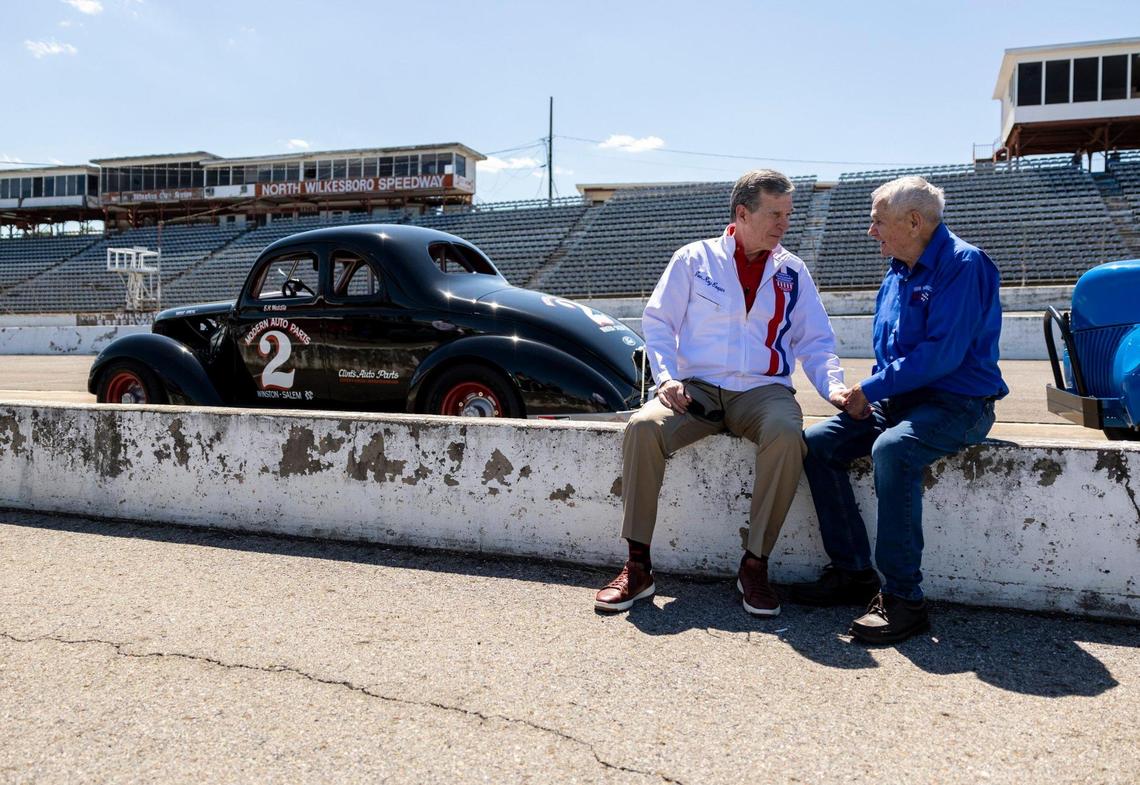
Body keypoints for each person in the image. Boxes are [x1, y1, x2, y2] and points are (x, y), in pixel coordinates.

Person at [594, 169, 847, 617]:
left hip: (763, 390)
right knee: (642, 427)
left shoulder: (793, 270)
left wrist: (835, 389)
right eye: (774, 214)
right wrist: (667, 378)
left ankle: (754, 564)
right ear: (742, 213)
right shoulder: (695, 259)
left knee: (789, 436)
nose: (783, 224)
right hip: (696, 389)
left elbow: (816, 341)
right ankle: (638, 567)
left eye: (788, 214)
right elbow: (658, 322)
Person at [786, 175, 1008, 644]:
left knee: (894, 449)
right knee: (816, 445)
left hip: (959, 403)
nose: (872, 233)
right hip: (901, 401)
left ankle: (905, 600)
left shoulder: (964, 265)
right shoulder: (899, 267)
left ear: (913, 221)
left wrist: (870, 388)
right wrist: (869, 395)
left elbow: (941, 355)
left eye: (878, 222)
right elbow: (891, 349)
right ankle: (853, 573)